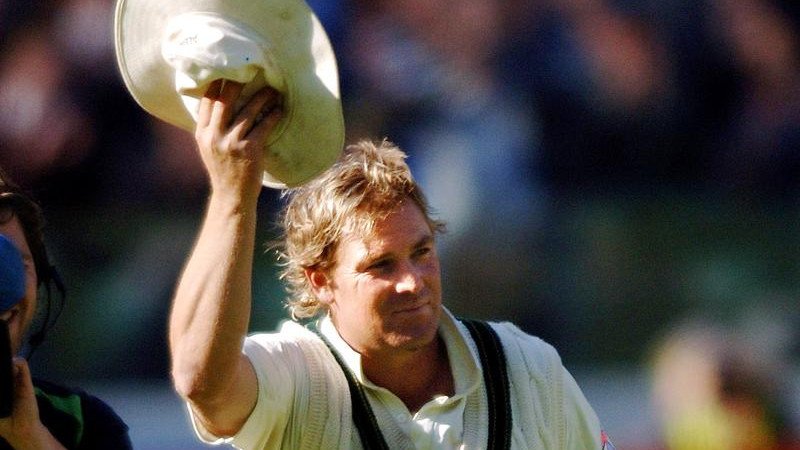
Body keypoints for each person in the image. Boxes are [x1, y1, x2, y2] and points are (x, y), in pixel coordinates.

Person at [169, 80, 611, 448]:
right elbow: (203, 385)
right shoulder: (296, 379)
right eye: (381, 265)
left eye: (422, 252)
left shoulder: (528, 369)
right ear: (320, 280)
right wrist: (232, 197)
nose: (412, 282)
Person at [0, 169, 132, 449]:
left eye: (18, 264)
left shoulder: (82, 422)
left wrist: (32, 439)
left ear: (43, 281)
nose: (5, 286)